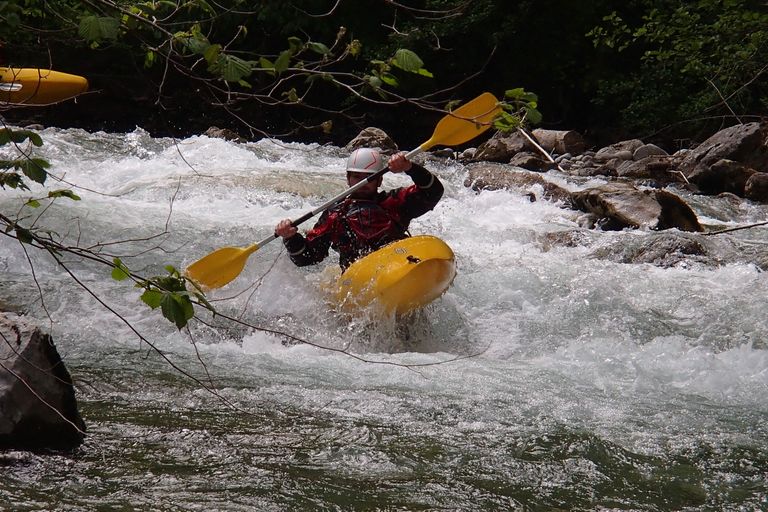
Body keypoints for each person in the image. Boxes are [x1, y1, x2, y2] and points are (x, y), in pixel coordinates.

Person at [275, 147, 444, 270]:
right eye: (356, 177)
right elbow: (308, 257)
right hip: (358, 278)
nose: (363, 183)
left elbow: (434, 192)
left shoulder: (394, 202)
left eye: (370, 178)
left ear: (379, 181)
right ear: (348, 179)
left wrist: (410, 168)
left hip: (397, 265)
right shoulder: (335, 214)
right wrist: (291, 238)